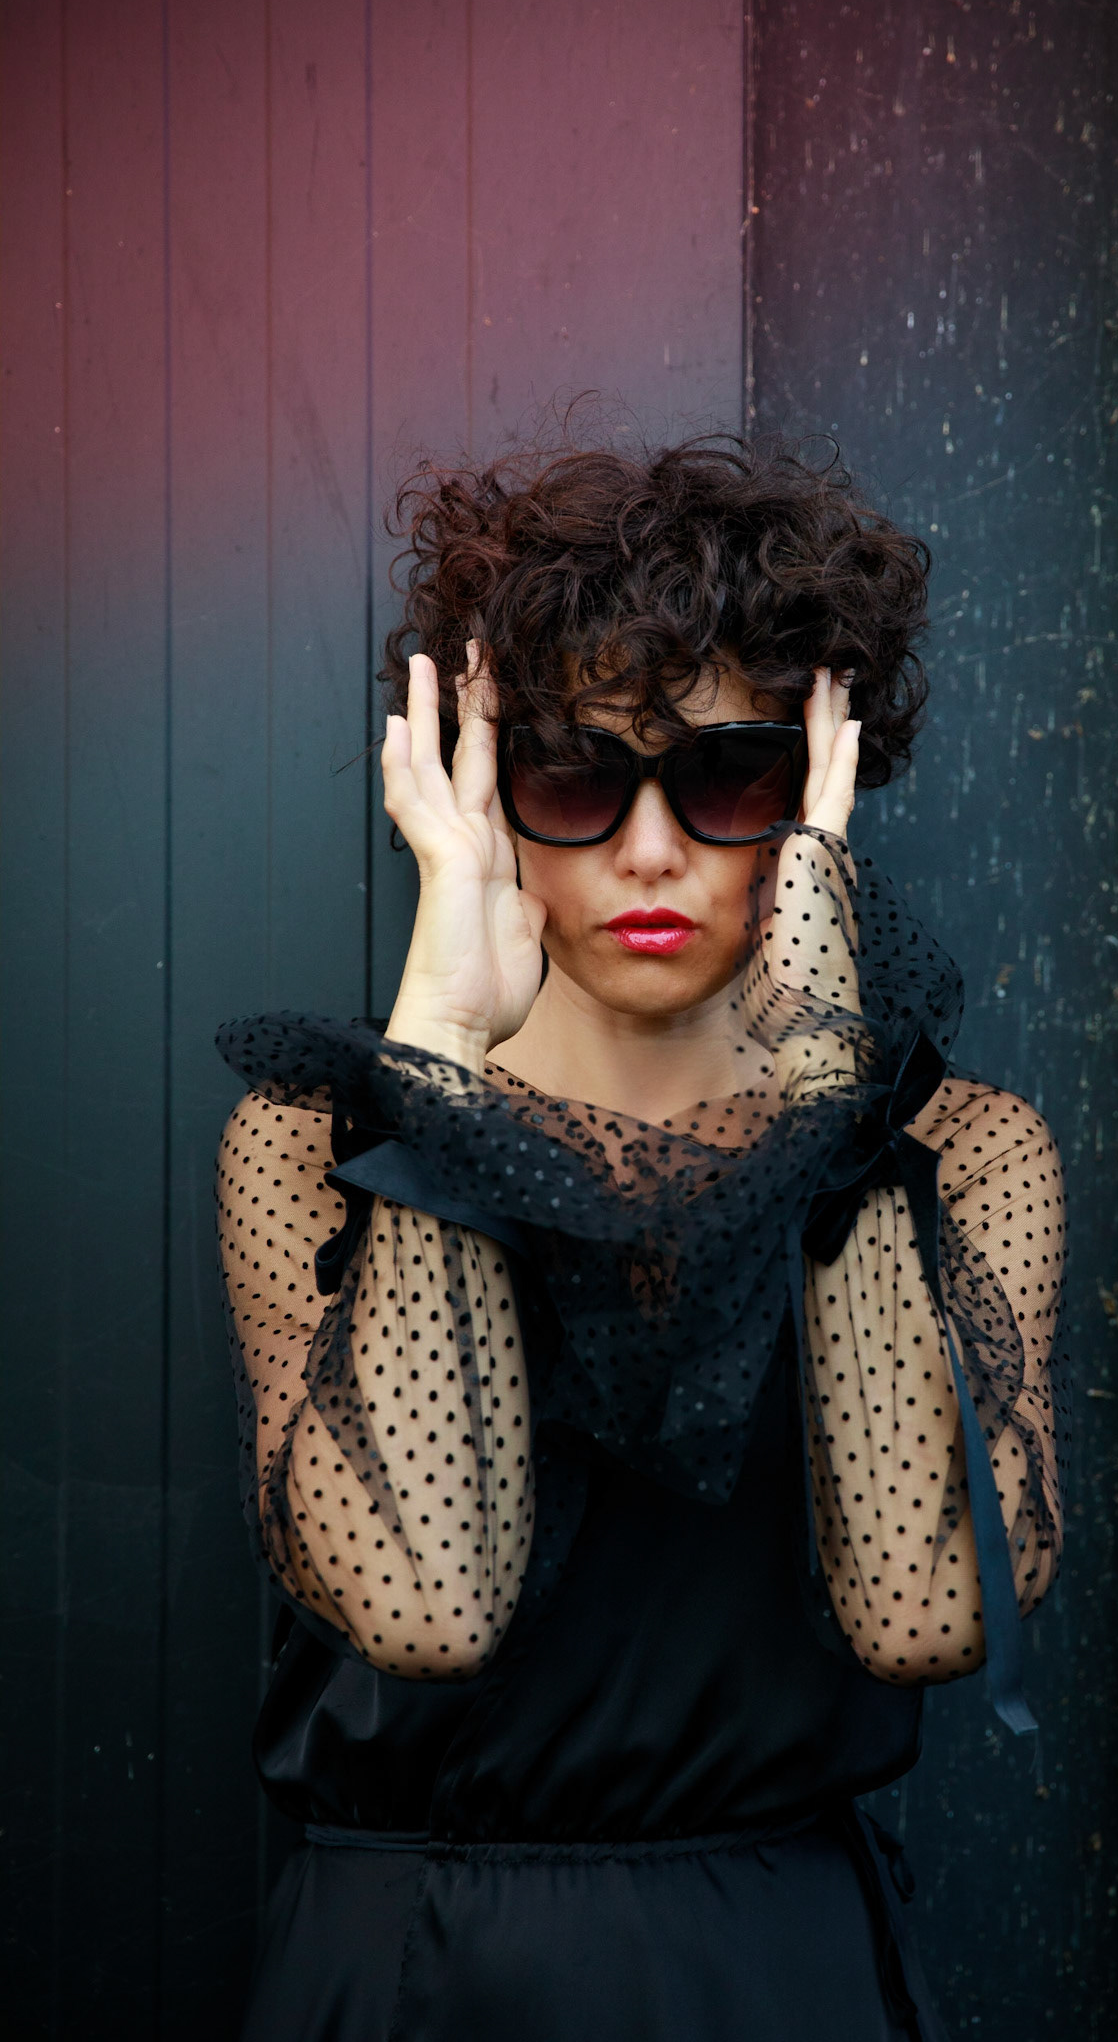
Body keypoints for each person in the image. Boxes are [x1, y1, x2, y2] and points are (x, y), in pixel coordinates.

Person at [214, 433, 1068, 2041]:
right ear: (482, 792)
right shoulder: (316, 1144)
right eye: (574, 776)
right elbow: (426, 1605)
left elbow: (920, 1610)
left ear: (818, 793)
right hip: (411, 1981)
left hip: (781, 1974)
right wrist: (436, 1051)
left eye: (730, 775)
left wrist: (828, 1068)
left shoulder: (956, 1155)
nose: (652, 848)